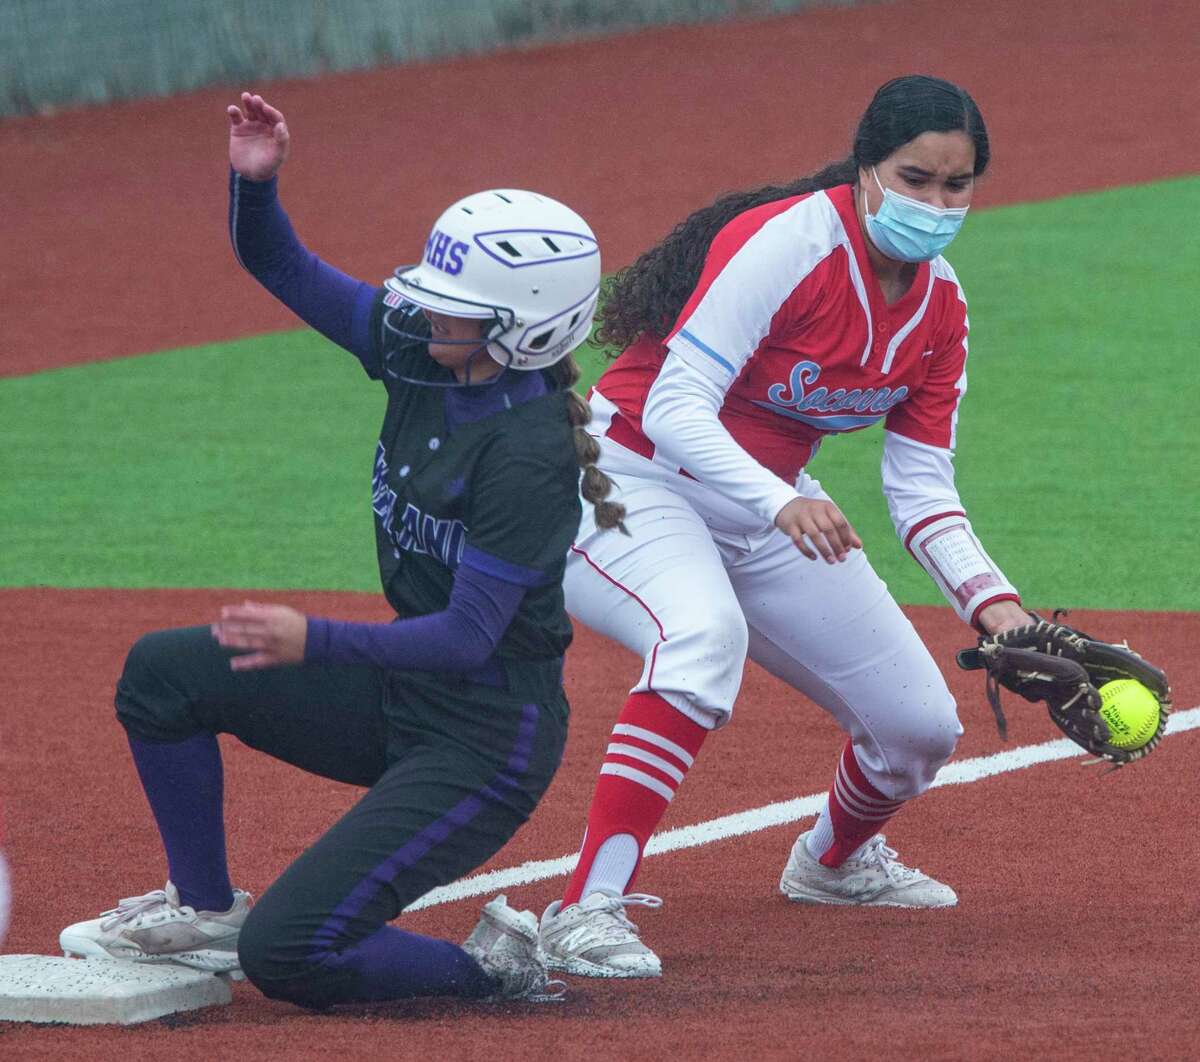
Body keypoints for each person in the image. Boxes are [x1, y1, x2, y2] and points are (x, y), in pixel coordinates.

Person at [58, 92, 622, 1007]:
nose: (429, 314)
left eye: (457, 309)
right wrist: (257, 182)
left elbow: (468, 637)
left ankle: (494, 972)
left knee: (291, 954)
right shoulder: (419, 350)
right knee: (164, 674)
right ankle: (204, 909)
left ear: (526, 328)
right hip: (403, 693)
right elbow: (278, 262)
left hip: (486, 741)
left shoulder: (529, 454)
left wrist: (311, 638)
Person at [537, 74, 1034, 979]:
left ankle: (834, 865)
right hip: (624, 478)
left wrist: (999, 611)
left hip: (760, 501)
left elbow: (922, 488)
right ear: (866, 167)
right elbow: (681, 406)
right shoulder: (787, 243)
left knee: (920, 727)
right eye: (914, 178)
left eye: (955, 186)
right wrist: (781, 499)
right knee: (700, 636)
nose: (934, 202)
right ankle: (585, 907)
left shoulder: (941, 308)